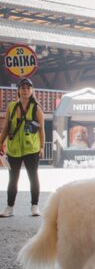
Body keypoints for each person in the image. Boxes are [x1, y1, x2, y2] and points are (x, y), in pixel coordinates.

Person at [0, 78, 45, 217]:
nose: (26, 90)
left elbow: (41, 129)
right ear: (18, 90)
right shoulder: (12, 106)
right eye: (23, 88)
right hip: (14, 149)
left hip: (32, 148)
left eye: (28, 88)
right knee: (13, 178)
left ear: (32, 91)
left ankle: (35, 206)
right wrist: (0, 142)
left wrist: (42, 147)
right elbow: (6, 126)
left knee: (33, 177)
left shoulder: (36, 107)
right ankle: (9, 207)